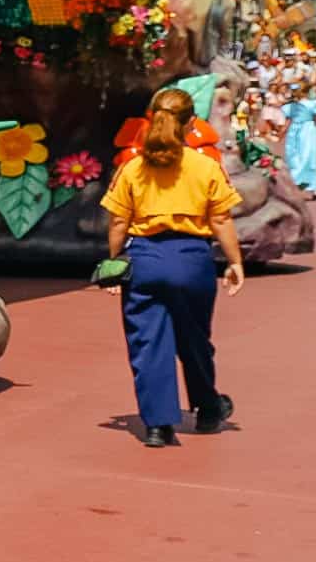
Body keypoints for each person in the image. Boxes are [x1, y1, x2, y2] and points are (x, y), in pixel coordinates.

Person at [101, 88, 244, 448]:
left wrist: (114, 262)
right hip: (192, 257)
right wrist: (235, 261)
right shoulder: (206, 167)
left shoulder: (132, 167)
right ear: (191, 123)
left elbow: (118, 223)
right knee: (195, 338)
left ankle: (157, 424)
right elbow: (222, 219)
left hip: (146, 259)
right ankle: (208, 408)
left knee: (148, 342)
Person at [280, 83, 316, 199]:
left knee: (294, 157)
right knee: (309, 158)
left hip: (293, 131)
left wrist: (281, 133)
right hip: (308, 131)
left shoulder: (291, 106)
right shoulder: (313, 104)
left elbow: (287, 122)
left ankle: (297, 183)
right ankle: (310, 187)